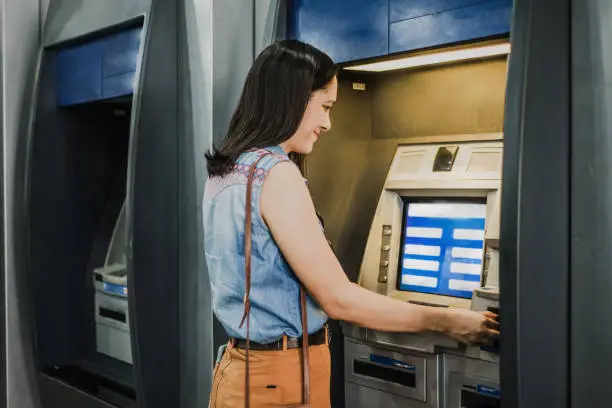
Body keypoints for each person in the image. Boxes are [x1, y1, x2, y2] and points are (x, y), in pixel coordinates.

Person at [203, 40, 499, 408]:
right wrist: (448, 321)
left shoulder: (229, 169)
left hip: (240, 373)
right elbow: (339, 299)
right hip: (280, 381)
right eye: (325, 107)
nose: (328, 124)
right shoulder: (276, 173)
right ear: (293, 98)